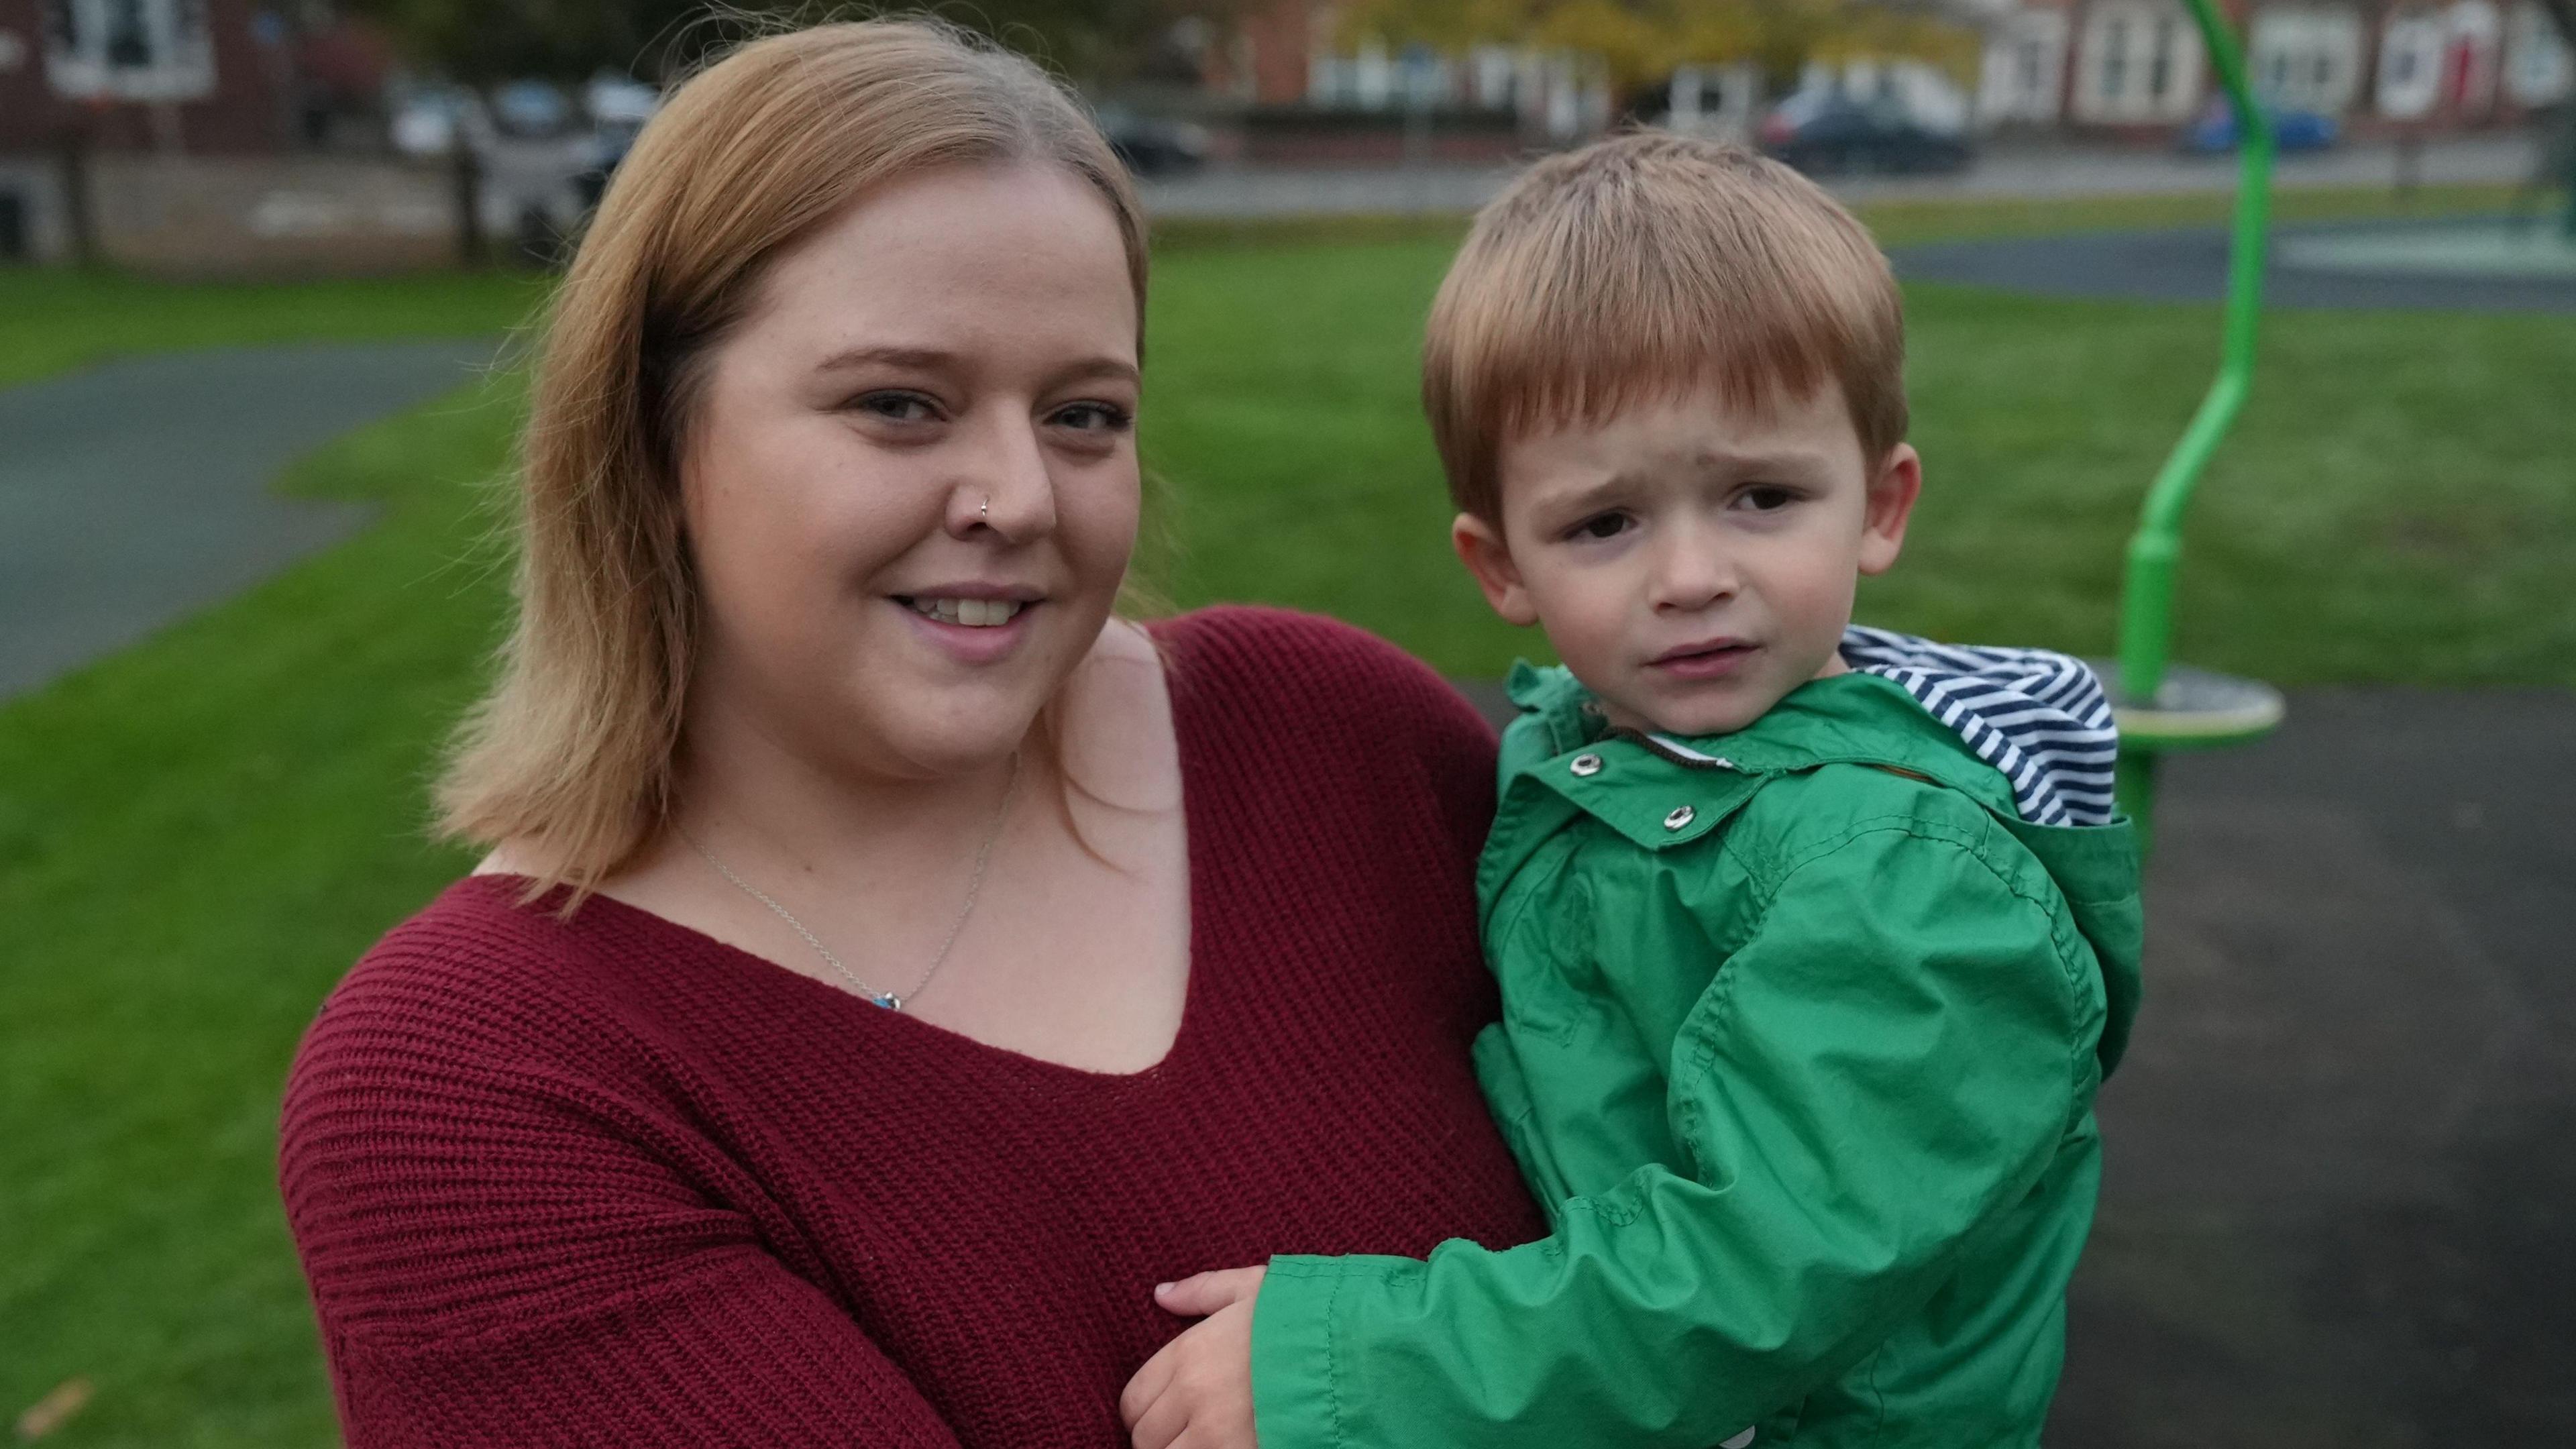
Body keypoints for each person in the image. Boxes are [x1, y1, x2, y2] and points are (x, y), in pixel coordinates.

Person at [274, 21, 1547, 1447]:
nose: (1017, 495)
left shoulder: (1336, 745)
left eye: (1082, 414)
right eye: (900, 405)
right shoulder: (479, 1090)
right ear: (652, 438)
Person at [1121, 134, 2143, 1449]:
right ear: (1503, 568)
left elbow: (1754, 1277)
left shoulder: (1902, 877)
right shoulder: (1606, 759)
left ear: (1881, 506)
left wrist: (1367, 1364)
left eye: (1761, 496)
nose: (1691, 575)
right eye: (1606, 524)